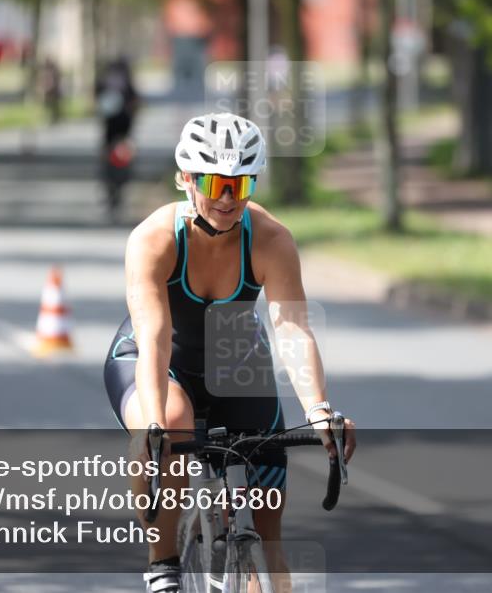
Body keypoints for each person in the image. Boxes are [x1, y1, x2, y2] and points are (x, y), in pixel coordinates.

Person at [103, 112, 356, 592]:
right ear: (186, 179)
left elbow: (291, 330)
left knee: (271, 544)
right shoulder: (153, 239)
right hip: (154, 358)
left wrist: (320, 411)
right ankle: (163, 567)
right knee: (171, 422)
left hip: (236, 361)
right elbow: (155, 334)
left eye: (239, 186)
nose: (226, 198)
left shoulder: (270, 239)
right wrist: (153, 427)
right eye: (216, 182)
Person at [94, 58, 139, 220]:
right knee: (115, 167)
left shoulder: (110, 84)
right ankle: (114, 194)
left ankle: (114, 194)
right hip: (117, 134)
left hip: (116, 134)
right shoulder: (124, 86)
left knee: (115, 167)